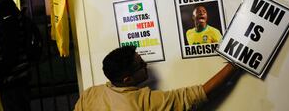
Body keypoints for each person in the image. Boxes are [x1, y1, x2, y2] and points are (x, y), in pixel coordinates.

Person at [74, 45, 240, 110]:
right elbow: (199, 94)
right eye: (141, 65)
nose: (146, 65)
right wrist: (236, 62)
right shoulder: (143, 102)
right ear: (127, 80)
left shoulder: (89, 95)